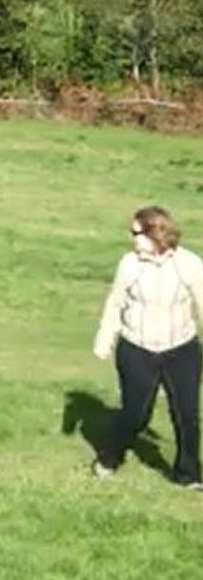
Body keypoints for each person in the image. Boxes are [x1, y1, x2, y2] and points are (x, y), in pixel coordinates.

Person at [92, 205, 203, 489]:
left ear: (156, 233)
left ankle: (188, 473)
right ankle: (109, 457)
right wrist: (105, 339)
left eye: (137, 233)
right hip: (137, 349)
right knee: (136, 415)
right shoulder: (129, 264)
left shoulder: (188, 264)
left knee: (187, 415)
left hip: (181, 349)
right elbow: (116, 303)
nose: (133, 239)